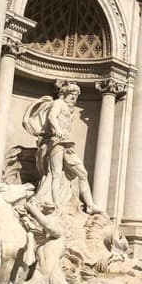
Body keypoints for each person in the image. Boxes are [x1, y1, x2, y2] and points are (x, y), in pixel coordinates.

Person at [33, 83, 102, 214]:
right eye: (71, 94)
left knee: (83, 173)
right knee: (56, 174)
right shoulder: (58, 103)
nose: (73, 98)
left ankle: (90, 205)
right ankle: (56, 204)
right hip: (56, 142)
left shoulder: (71, 110)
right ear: (65, 94)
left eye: (76, 96)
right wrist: (57, 129)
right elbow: (51, 116)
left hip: (67, 144)